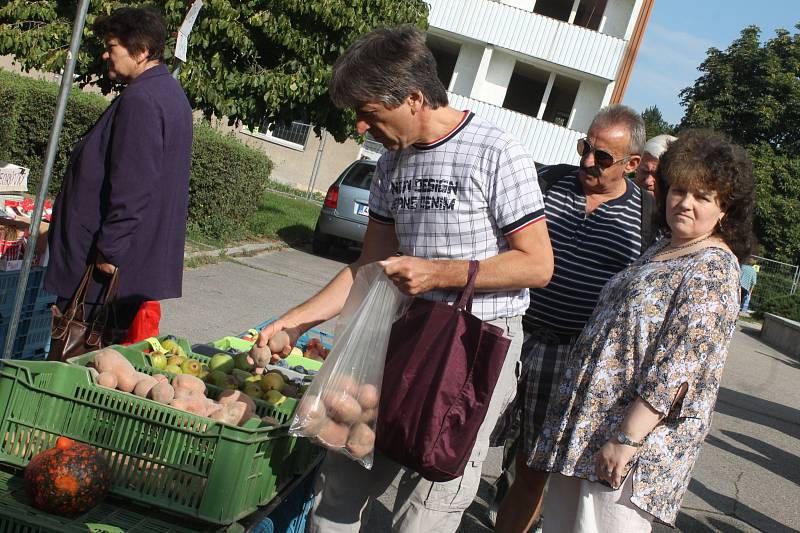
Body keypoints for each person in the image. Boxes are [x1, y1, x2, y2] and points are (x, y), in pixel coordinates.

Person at [255, 25, 553, 533]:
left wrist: (438, 272)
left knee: (427, 506)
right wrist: (296, 320)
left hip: (474, 345)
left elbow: (536, 264)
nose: (362, 125)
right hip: (398, 334)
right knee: (342, 472)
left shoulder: (496, 149)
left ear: (414, 97)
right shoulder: (391, 162)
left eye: (370, 112)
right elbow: (370, 270)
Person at [528, 129, 754, 532]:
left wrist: (626, 440)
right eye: (679, 191)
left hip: (629, 447)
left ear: (725, 209)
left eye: (702, 197)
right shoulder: (664, 246)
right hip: (591, 429)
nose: (684, 203)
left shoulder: (714, 268)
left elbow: (677, 370)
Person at [493, 104, 651, 532]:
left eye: (603, 158)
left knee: (532, 470)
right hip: (509, 334)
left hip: (569, 358)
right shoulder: (547, 182)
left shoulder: (646, 218)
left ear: (632, 164)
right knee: (460, 442)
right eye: (586, 147)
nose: (587, 162)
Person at [45, 7, 192, 342]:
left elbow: (134, 184)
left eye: (112, 47)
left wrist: (111, 249)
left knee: (83, 354)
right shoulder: (168, 94)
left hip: (105, 267)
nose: (106, 54)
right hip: (126, 261)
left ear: (140, 52)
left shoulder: (142, 100)